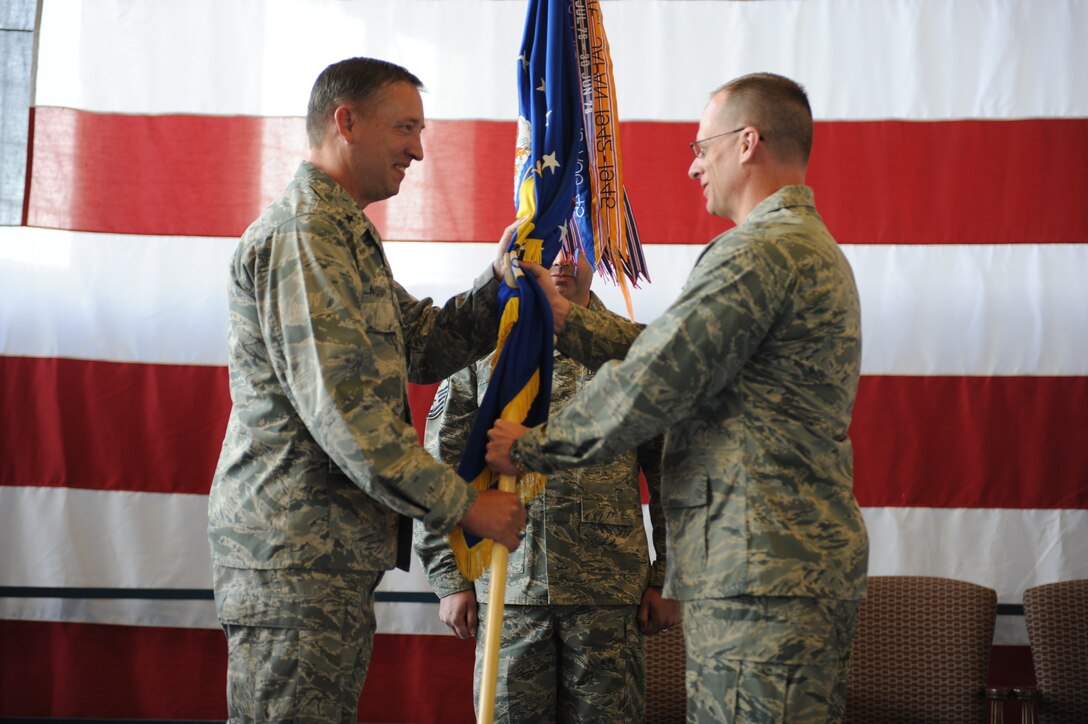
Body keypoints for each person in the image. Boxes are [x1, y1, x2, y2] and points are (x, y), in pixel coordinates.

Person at [485, 72, 868, 723]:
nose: (694, 166)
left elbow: (658, 378)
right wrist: (572, 322)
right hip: (778, 564)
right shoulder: (797, 246)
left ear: (747, 142)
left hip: (762, 570)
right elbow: (677, 350)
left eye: (702, 146)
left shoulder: (761, 252)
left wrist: (538, 446)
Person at [207, 56, 554, 723]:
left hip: (320, 557)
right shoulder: (304, 236)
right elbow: (344, 412)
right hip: (295, 556)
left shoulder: (341, 235)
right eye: (405, 128)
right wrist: (464, 508)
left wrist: (499, 282)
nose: (418, 150)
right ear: (347, 120)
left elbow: (423, 344)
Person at [413, 246, 680, 722]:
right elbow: (440, 464)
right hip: (508, 592)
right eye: (551, 245)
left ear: (596, 256)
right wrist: (448, 578)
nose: (561, 260)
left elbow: (669, 475)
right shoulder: (484, 345)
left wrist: (669, 577)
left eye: (576, 246)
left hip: (608, 595)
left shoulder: (629, 350)